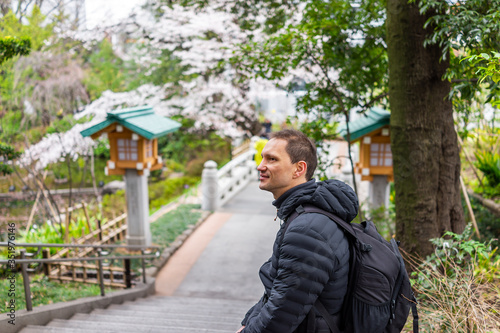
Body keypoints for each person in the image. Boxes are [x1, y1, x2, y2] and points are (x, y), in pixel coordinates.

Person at [237, 129, 359, 333]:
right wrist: (248, 321)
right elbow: (279, 291)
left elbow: (281, 314)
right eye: (262, 158)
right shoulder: (304, 215)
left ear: (298, 169)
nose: (261, 166)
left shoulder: (308, 229)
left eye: (272, 159)